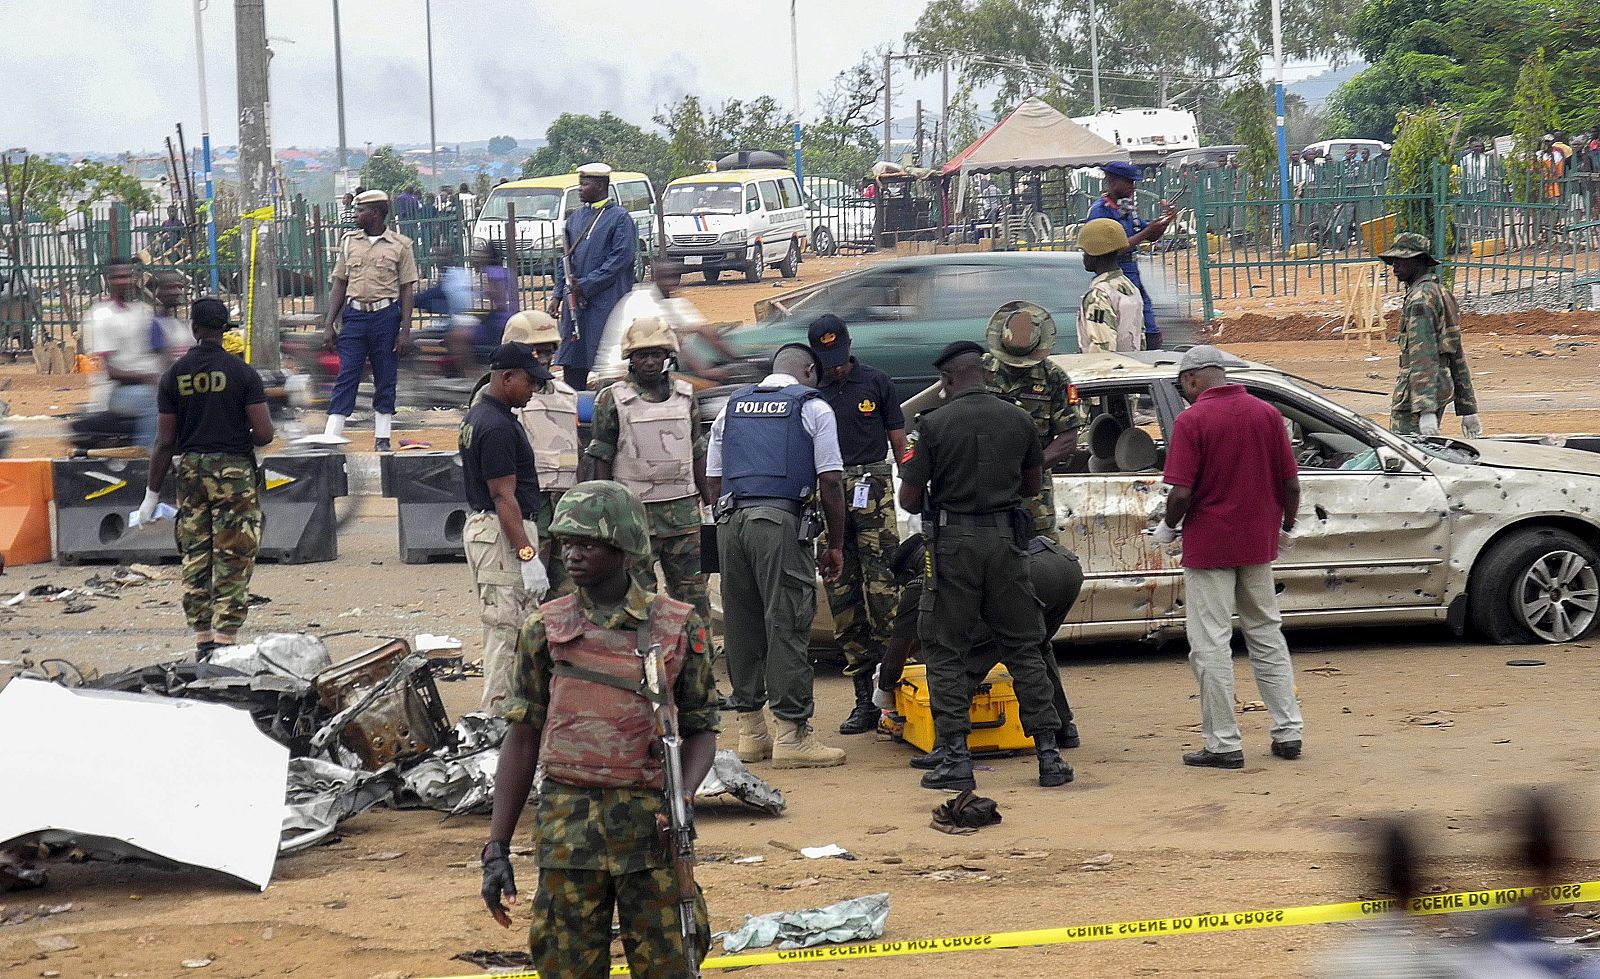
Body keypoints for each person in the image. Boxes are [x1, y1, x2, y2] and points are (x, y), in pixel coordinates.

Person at [480, 481, 716, 979]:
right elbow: (522, 738)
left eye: (587, 543)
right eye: (566, 542)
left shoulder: (679, 627)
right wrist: (497, 847)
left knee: (670, 966)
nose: (572, 554)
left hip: (652, 835)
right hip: (569, 837)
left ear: (622, 547)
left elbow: (700, 728)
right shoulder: (542, 629)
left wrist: (685, 800)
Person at [897, 340, 1071, 792]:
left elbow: (908, 499)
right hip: (1009, 545)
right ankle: (1049, 756)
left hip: (954, 547)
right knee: (1024, 645)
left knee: (945, 648)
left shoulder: (932, 425)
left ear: (949, 380)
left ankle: (955, 756)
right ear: (984, 373)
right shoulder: (1019, 419)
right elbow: (1033, 485)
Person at [1154, 344, 1304, 770]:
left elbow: (1180, 492)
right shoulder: (1266, 414)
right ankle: (1288, 731)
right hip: (1258, 545)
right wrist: (1286, 528)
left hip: (1209, 548)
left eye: (1183, 384)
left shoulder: (1192, 420)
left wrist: (1168, 528)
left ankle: (1223, 743)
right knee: (1267, 636)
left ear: (1193, 378)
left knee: (1210, 646)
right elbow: (1291, 486)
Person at [707, 343, 847, 768]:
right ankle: (792, 736)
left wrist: (726, 522)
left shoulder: (731, 407)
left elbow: (712, 479)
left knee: (741, 622)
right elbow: (832, 482)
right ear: (807, 371)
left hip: (729, 523)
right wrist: (835, 544)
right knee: (786, 621)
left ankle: (751, 734)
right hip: (780, 523)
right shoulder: (814, 408)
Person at [878, 531, 1084, 769]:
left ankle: (947, 747)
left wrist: (884, 689)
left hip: (1028, 575)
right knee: (1034, 648)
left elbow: (897, 653)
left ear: (909, 574)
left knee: (969, 661)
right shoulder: (953, 546)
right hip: (1061, 563)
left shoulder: (924, 578)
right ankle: (1063, 728)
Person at [141, 297, 274, 656]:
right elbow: (264, 434)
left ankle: (202, 641)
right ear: (224, 329)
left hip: (191, 472)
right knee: (234, 554)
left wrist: (151, 496)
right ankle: (226, 640)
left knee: (196, 555)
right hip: (234, 472)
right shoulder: (243, 373)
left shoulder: (174, 375)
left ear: (195, 329)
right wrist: (234, 436)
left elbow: (165, 440)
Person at [806, 315, 906, 735]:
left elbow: (900, 443)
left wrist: (915, 488)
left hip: (873, 488)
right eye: (827, 359)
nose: (836, 366)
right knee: (843, 594)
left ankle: (894, 696)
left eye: (840, 356)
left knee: (885, 592)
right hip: (828, 491)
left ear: (850, 344)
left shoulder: (877, 383)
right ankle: (864, 699)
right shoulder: (809, 395)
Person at [586, 317, 712, 629]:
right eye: (643, 355)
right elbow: (602, 455)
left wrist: (709, 507)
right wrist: (604, 512)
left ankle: (697, 666)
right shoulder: (611, 399)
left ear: (668, 356)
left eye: (657, 354)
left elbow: (696, 451)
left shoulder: (686, 395)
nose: (651, 362)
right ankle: (648, 668)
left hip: (684, 518)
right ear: (630, 358)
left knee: (694, 601)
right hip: (633, 518)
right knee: (640, 601)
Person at [460, 343, 554, 713]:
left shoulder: (481, 415)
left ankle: (509, 715)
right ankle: (495, 721)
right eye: (529, 382)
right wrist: (528, 555)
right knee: (505, 629)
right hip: (503, 533)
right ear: (507, 377)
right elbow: (503, 497)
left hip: (492, 530)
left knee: (510, 627)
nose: (533, 389)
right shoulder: (497, 426)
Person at [317, 189, 418, 452]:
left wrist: (405, 330)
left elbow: (407, 289)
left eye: (361, 211)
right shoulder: (349, 242)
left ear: (375, 214)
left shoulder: (400, 245)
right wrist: (329, 324)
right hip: (355, 316)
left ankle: (382, 437)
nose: (356, 215)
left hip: (386, 317)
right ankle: (332, 434)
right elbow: (340, 282)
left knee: (385, 377)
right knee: (347, 374)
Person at [982, 301, 1085, 535]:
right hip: (985, 495)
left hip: (1033, 500)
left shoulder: (1054, 378)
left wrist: (1026, 469)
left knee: (1041, 564)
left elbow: (1068, 438)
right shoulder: (980, 371)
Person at [503, 310, 580, 596]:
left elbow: (577, 452)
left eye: (548, 351)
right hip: (529, 510)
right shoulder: (503, 396)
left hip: (565, 509)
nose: (545, 359)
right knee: (527, 596)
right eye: (536, 352)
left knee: (569, 597)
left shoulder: (567, 395)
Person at [1377, 233, 1482, 438]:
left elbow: (1422, 356)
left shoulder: (1419, 300)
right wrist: (1468, 407)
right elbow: (1455, 352)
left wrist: (1425, 410)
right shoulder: (1440, 293)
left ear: (1419, 261)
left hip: (1416, 395)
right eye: (1393, 261)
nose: (1394, 266)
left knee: (1406, 451)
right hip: (1437, 387)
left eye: (1401, 260)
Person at [547, 163, 638, 391]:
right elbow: (565, 261)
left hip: (606, 303)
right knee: (573, 364)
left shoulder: (619, 218)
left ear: (599, 186)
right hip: (575, 305)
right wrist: (558, 295)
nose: (579, 189)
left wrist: (586, 285)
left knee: (607, 366)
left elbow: (620, 260)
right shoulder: (574, 218)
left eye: (584, 184)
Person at [1085, 161, 1176, 349]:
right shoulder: (1100, 211)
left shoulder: (1126, 208)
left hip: (1131, 272)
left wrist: (1164, 222)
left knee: (1148, 323)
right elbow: (1109, 251)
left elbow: (1150, 235)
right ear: (1112, 182)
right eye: (1128, 182)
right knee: (1126, 322)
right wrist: (1146, 232)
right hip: (1113, 272)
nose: (1132, 187)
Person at [82, 256, 164, 447]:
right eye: (118, 277)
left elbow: (159, 351)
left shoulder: (142, 311)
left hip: (149, 383)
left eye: (128, 276)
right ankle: (149, 456)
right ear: (108, 280)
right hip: (117, 391)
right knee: (154, 402)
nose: (124, 281)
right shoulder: (101, 315)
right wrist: (150, 378)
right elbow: (111, 372)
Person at [1075, 219, 1144, 353]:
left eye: (1085, 252)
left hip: (1107, 371)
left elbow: (1102, 350)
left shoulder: (1098, 296)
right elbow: (1140, 338)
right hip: (1133, 369)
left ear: (1094, 254)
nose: (1083, 257)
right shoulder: (1130, 288)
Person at [151, 269, 194, 359]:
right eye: (171, 287)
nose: (177, 292)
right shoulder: (154, 325)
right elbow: (164, 359)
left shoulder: (176, 323)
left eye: (178, 287)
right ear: (158, 292)